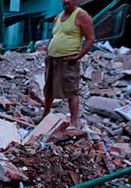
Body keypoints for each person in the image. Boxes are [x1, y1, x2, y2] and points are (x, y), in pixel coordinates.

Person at [43, 0, 94, 129]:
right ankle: (45, 115)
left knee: (71, 92)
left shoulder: (81, 15)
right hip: (52, 58)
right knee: (48, 90)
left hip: (68, 59)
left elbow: (90, 39)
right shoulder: (58, 17)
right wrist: (48, 50)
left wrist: (78, 56)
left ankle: (73, 122)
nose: (66, 1)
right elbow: (54, 36)